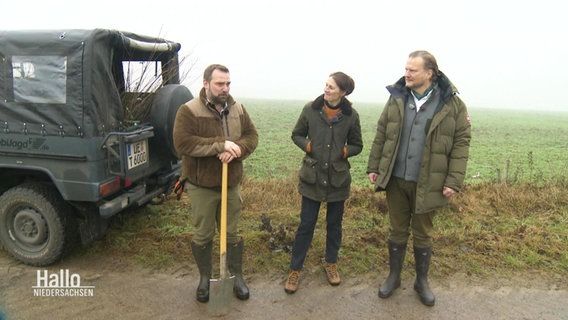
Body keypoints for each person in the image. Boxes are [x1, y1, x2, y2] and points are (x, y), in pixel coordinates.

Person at [367, 50, 471, 306]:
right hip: (396, 179)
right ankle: (394, 277)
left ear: (429, 73)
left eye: (412, 70)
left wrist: (453, 180)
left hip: (430, 182)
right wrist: (375, 166)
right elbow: (383, 131)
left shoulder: (452, 104)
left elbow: (461, 143)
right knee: (397, 230)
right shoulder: (397, 98)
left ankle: (421, 281)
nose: (407, 74)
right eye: (406, 69)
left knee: (423, 233)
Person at [173, 64, 258, 303]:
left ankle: (236, 275)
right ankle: (204, 278)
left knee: (231, 234)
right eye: (220, 83)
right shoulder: (189, 110)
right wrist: (221, 145)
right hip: (201, 185)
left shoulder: (238, 108)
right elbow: (183, 143)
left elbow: (252, 136)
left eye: (228, 83)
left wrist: (238, 149)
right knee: (203, 234)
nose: (225, 88)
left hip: (230, 183)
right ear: (206, 84)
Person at [285, 72, 363, 294]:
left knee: (334, 225)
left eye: (332, 87)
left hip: (338, 180)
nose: (326, 89)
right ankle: (295, 269)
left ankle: (331, 263)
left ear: (343, 92)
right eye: (326, 85)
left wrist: (345, 151)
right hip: (312, 178)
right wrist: (308, 146)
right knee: (306, 225)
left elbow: (358, 144)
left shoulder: (351, 116)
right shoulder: (310, 109)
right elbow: (296, 134)